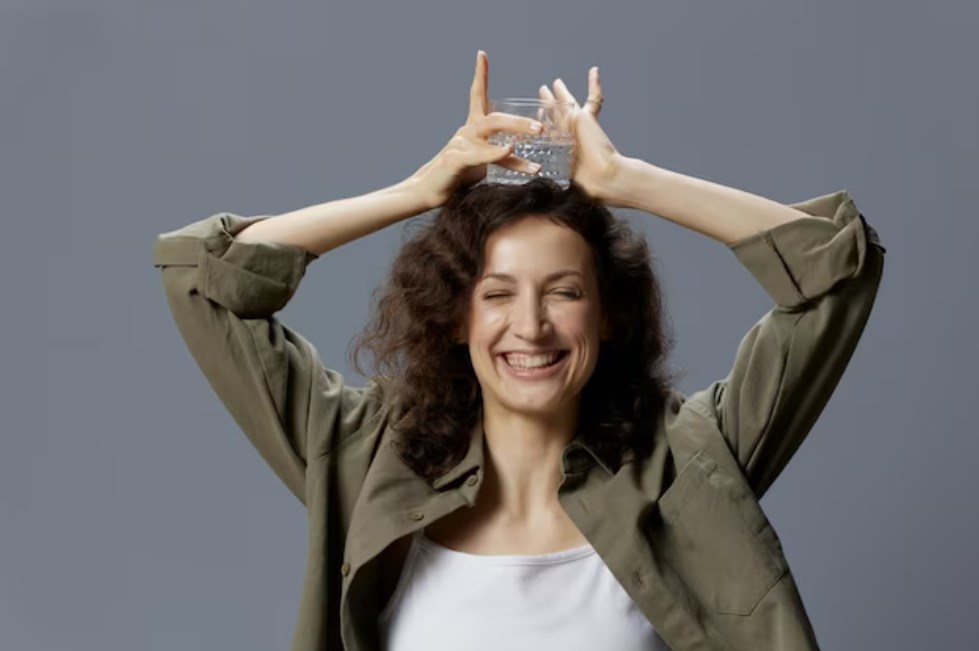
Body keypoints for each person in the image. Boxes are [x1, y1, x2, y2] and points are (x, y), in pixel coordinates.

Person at [152, 51, 885, 651]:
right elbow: (205, 281)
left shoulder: (688, 462)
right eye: (497, 294)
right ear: (455, 318)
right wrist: (417, 191)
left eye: (563, 292)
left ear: (607, 316)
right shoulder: (366, 457)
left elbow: (834, 270)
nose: (530, 326)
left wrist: (626, 183)